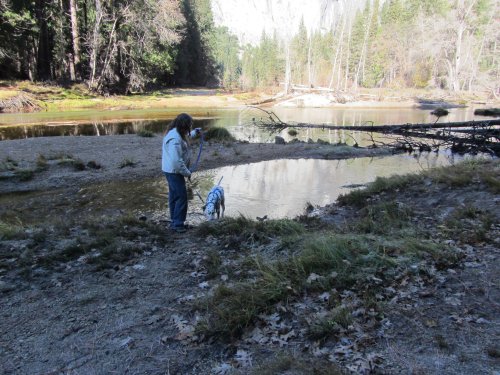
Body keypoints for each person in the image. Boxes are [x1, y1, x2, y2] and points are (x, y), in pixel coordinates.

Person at [162, 113, 201, 233]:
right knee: (182, 197)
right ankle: (178, 224)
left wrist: (195, 133)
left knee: (174, 196)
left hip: (171, 171)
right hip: (174, 171)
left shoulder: (177, 133)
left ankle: (175, 220)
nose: (189, 129)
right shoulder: (174, 139)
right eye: (189, 126)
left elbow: (186, 137)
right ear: (184, 126)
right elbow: (176, 162)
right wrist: (187, 173)